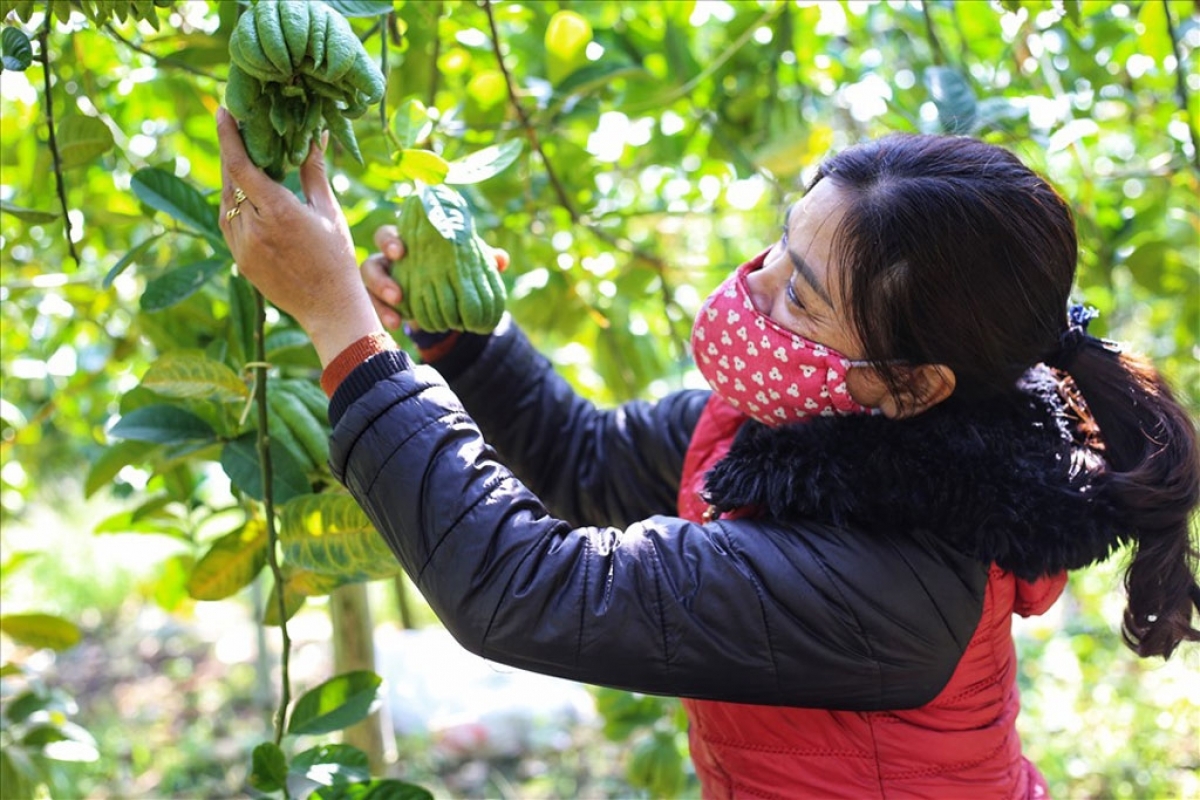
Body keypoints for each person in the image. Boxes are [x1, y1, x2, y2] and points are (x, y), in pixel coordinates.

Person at [215, 106, 1200, 797]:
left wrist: (345, 330)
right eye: (780, 246)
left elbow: (528, 587)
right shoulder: (789, 421)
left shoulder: (897, 585)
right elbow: (588, 460)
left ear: (913, 381)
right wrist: (460, 335)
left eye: (800, 295)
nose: (755, 285)